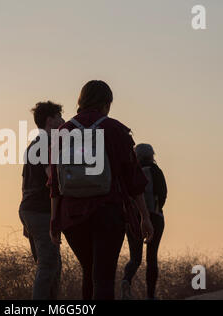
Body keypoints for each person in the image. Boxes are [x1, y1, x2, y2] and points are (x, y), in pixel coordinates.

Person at [49, 80, 154, 300]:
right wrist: (144, 216)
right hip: (108, 213)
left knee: (89, 271)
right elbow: (133, 179)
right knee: (103, 277)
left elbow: (55, 183)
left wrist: (54, 220)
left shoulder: (64, 131)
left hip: (72, 216)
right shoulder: (115, 129)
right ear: (107, 103)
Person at [19, 101, 64, 299]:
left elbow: (25, 181)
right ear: (50, 120)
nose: (63, 120)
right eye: (59, 117)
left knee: (52, 266)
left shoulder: (33, 145)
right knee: (48, 266)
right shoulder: (47, 144)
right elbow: (52, 179)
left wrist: (26, 223)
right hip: (41, 212)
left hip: (29, 211)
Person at [121, 143, 167, 300]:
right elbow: (163, 194)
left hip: (133, 219)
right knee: (151, 257)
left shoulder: (131, 172)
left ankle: (126, 281)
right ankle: (150, 295)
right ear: (152, 155)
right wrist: (155, 209)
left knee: (135, 258)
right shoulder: (156, 171)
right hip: (154, 217)